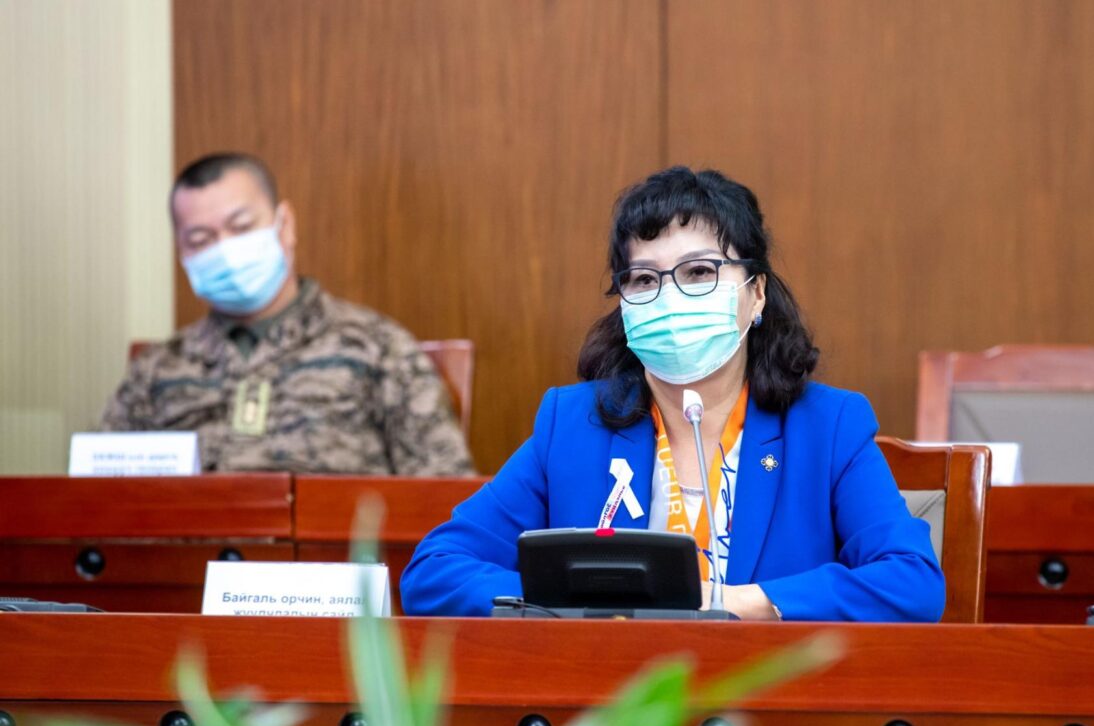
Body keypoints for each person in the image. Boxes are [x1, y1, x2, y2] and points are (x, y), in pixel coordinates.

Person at [400, 166, 944, 621]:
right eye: (643, 279)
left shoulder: (828, 426)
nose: (670, 297)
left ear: (756, 294)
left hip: (765, 701)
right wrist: (569, 602)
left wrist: (741, 603)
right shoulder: (572, 424)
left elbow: (912, 582)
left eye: (699, 272)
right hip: (614, 701)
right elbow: (435, 571)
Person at [102, 152, 474, 475]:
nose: (225, 250)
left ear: (285, 225)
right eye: (201, 240)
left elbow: (446, 495)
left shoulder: (378, 348)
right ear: (182, 252)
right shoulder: (155, 371)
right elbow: (95, 497)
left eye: (241, 227)